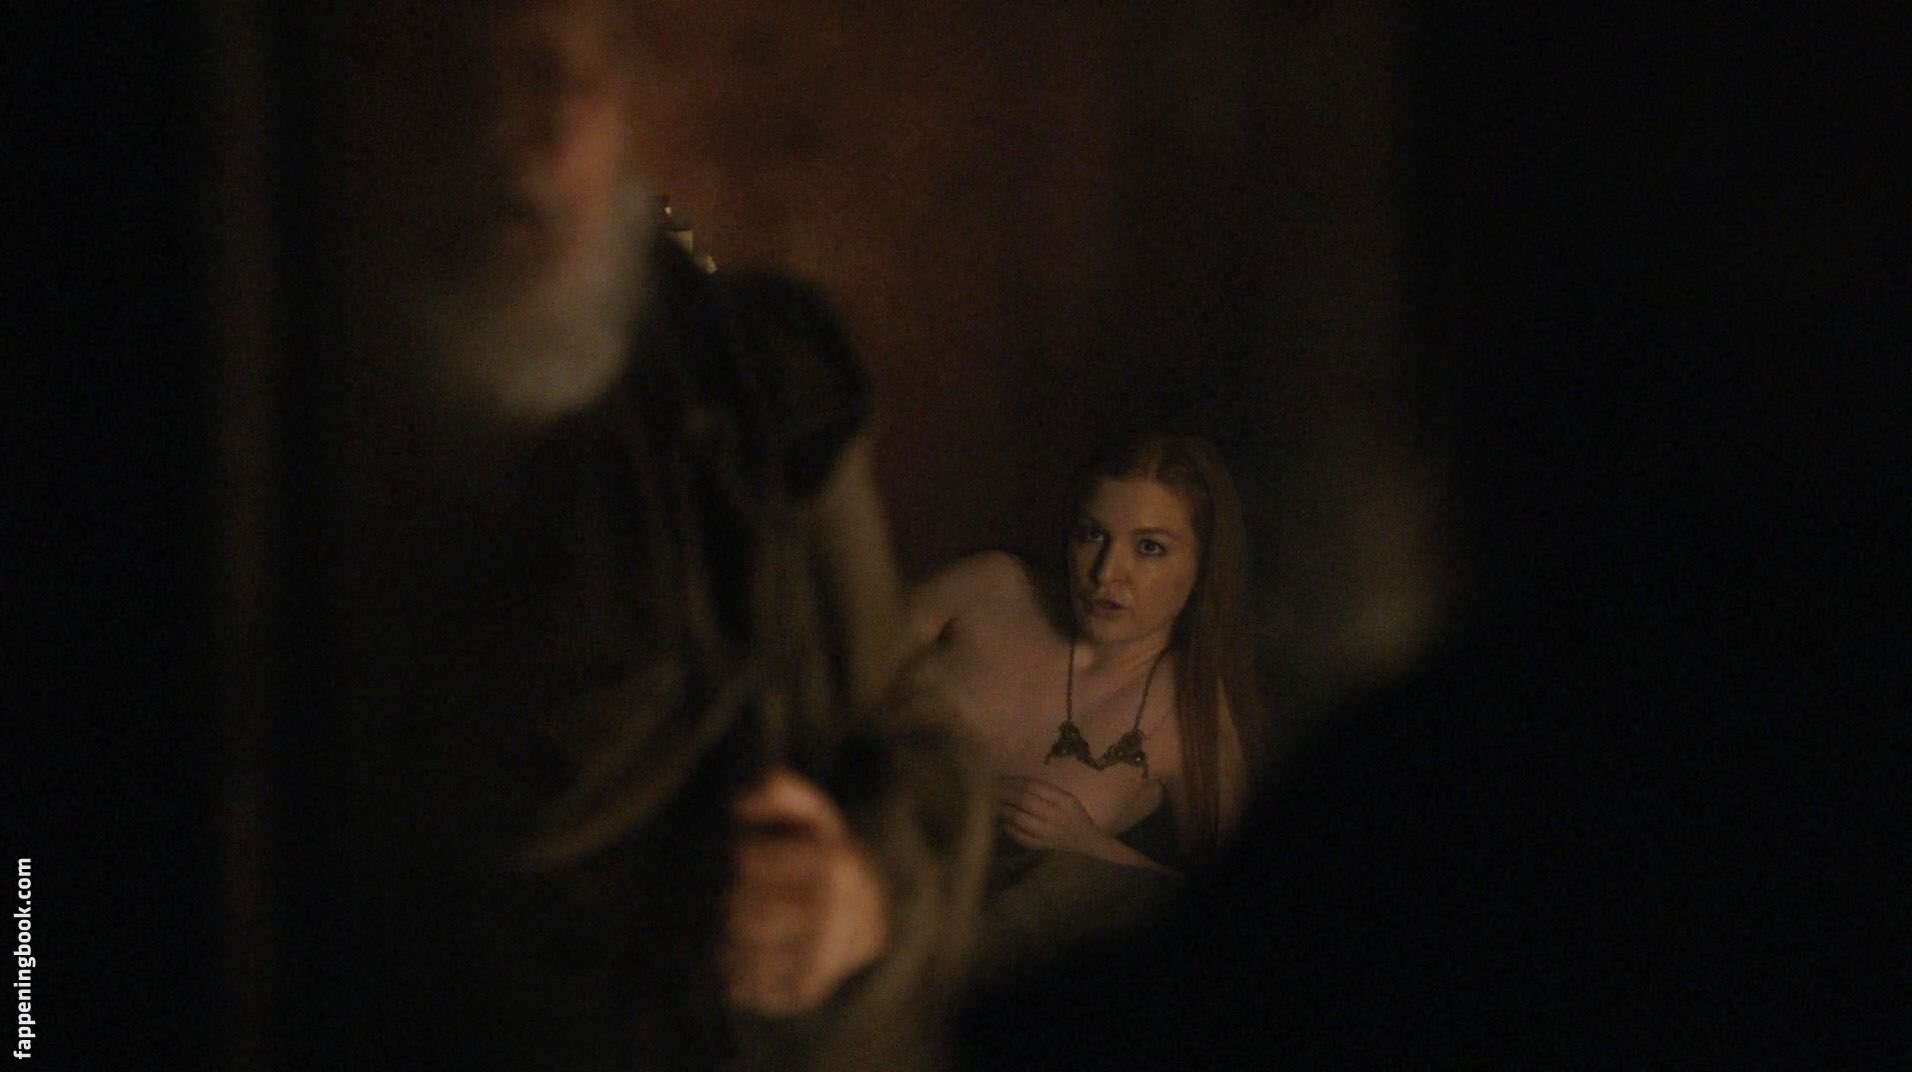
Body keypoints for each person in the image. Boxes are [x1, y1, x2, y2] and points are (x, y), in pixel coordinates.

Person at [298, 1, 990, 1068]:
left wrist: (863, 892)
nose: (533, 131)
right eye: (486, 78)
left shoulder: (750, 388)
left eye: (573, 77)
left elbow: (914, 739)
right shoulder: (265, 419)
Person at [902, 433, 1262, 975]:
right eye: (1093, 535)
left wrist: (1088, 846)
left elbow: (1243, 914)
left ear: (1202, 567)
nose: (1106, 572)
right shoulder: (988, 590)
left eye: (1149, 548)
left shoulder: (1191, 714)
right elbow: (834, 679)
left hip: (975, 965)